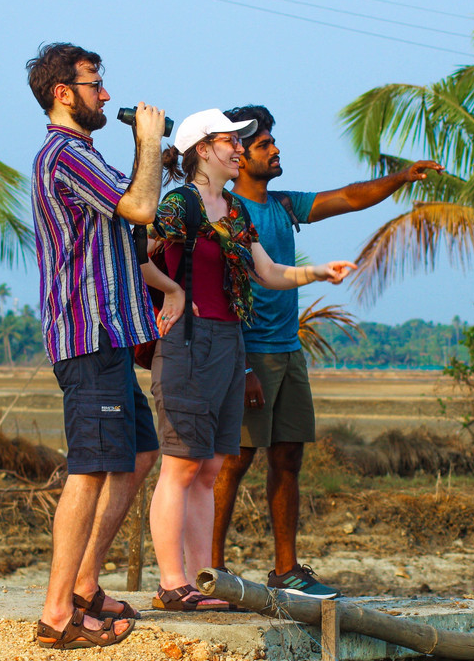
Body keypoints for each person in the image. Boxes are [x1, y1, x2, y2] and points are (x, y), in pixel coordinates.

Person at [211, 104, 444, 598]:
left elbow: (349, 197)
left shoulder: (284, 205)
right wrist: (243, 366)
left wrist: (402, 176)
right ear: (239, 155)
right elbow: (221, 293)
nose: (276, 150)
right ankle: (210, 572)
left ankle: (286, 570)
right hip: (248, 353)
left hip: (288, 350)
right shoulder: (225, 211)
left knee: (288, 457)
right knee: (233, 462)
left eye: (273, 141)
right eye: (264, 145)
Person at [140, 108, 356, 611]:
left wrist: (318, 272)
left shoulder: (234, 209)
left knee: (210, 468)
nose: (239, 148)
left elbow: (268, 272)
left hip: (229, 340)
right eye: (230, 141)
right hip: (188, 342)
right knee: (180, 466)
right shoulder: (179, 203)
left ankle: (204, 581)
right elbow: (137, 253)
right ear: (202, 150)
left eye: (240, 142)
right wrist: (172, 290)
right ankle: (172, 583)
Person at [28, 43, 166, 650]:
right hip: (87, 335)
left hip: (110, 336)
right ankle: (57, 614)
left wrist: (149, 157)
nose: (105, 94)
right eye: (95, 84)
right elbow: (140, 205)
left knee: (139, 453)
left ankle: (84, 585)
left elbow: (134, 216)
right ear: (64, 93)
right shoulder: (64, 156)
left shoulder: (84, 156)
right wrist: (150, 142)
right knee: (88, 470)